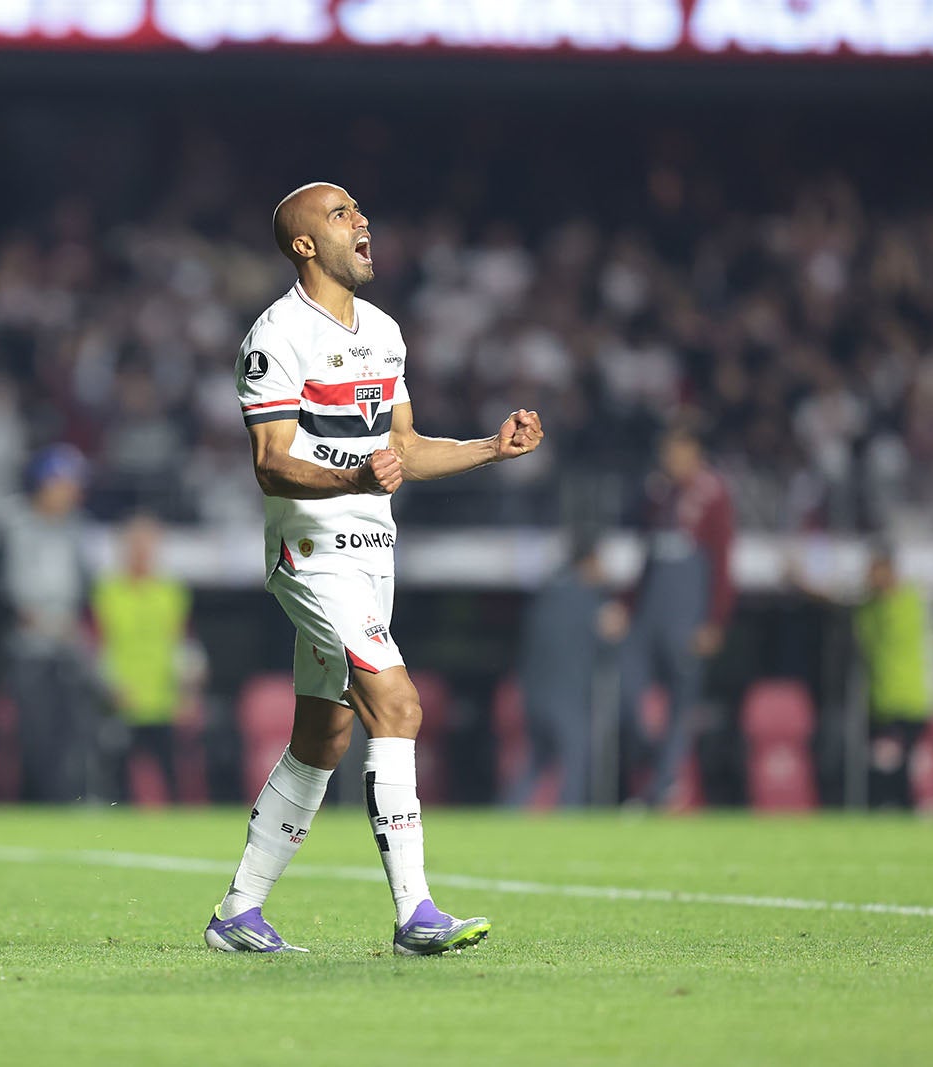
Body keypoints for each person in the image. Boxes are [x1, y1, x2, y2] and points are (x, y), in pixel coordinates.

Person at [207, 182, 544, 956]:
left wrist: (490, 448)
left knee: (322, 737)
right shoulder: (277, 335)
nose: (362, 222)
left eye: (359, 211)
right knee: (396, 703)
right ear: (303, 245)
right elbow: (270, 462)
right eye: (340, 214)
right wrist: (353, 478)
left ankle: (237, 911)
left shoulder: (385, 332)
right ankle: (416, 912)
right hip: (314, 553)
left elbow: (405, 448)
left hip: (372, 553)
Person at [790, 545, 933, 808]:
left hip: (923, 700)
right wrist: (799, 580)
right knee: (888, 764)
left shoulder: (920, 598)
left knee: (919, 765)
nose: (871, 578)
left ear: (891, 570)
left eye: (876, 571)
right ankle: (897, 810)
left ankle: (928, 810)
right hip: (884, 701)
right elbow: (830, 599)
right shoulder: (866, 607)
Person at [615, 424, 733, 807]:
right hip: (650, 607)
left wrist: (714, 621)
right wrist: (627, 605)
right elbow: (643, 557)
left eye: (676, 451)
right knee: (629, 690)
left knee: (682, 703)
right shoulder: (658, 494)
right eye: (666, 451)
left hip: (687, 609)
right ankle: (654, 761)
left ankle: (663, 785)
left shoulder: (712, 495)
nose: (669, 459)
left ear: (694, 452)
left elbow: (722, 563)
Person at [0, 444, 97, 802]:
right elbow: (5, 590)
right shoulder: (15, 524)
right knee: (35, 732)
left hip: (67, 645)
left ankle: (69, 799)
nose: (72, 491)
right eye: (64, 482)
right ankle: (37, 802)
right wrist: (42, 621)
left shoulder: (76, 527)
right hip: (30, 646)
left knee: (73, 730)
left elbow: (86, 585)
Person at [506, 533, 625, 809]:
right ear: (589, 562)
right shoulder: (588, 598)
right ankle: (569, 817)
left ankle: (509, 811)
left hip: (534, 691)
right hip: (567, 693)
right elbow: (606, 641)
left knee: (537, 759)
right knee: (576, 757)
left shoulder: (547, 592)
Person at [91, 514, 199, 803]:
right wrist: (108, 686)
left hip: (164, 700)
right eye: (134, 545)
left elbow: (184, 645)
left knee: (171, 776)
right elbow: (96, 644)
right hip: (120, 699)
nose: (141, 552)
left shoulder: (171, 592)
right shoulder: (106, 592)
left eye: (147, 545)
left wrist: (188, 692)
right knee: (117, 781)